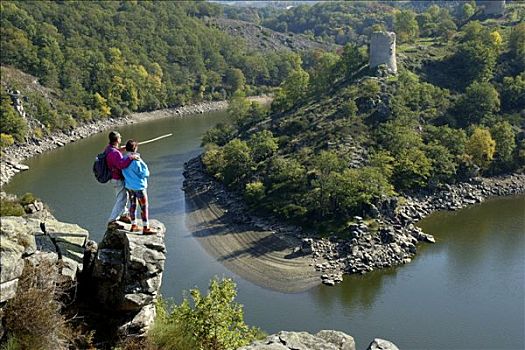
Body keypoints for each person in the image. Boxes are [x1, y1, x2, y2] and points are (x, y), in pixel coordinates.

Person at [105, 131, 138, 229]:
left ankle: (124, 215)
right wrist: (131, 157)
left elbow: (113, 156)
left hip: (114, 177)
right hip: (117, 179)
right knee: (121, 199)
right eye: (120, 137)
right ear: (117, 140)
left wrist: (120, 150)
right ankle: (112, 220)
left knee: (124, 196)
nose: (121, 138)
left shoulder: (109, 149)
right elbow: (121, 165)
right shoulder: (115, 153)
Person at [122, 139, 156, 235]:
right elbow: (145, 173)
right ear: (135, 149)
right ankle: (146, 227)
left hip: (129, 187)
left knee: (133, 205)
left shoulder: (124, 159)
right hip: (139, 187)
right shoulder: (136, 161)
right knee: (144, 207)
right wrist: (141, 160)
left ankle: (134, 225)